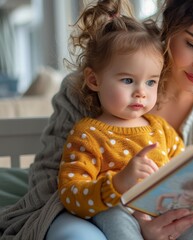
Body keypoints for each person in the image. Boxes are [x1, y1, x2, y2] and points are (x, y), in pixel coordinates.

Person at [0, 0, 193, 240]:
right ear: (169, 28)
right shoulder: (88, 92)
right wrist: (130, 215)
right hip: (94, 212)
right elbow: (51, 184)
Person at [57, 1, 185, 236]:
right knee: (114, 215)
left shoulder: (162, 130)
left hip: (163, 212)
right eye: (128, 80)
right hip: (118, 210)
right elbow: (71, 194)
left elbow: (184, 171)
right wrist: (117, 184)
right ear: (94, 80)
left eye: (151, 82)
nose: (141, 92)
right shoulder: (88, 134)